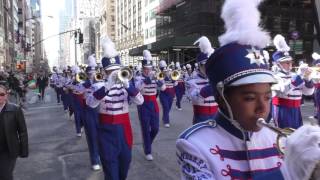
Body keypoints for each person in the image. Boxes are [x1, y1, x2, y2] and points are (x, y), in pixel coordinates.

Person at [176, 0, 320, 179]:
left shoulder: (278, 139)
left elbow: (307, 92)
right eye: (250, 98)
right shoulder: (194, 144)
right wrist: (286, 173)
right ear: (221, 98)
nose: (263, 108)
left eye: (267, 97)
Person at [87, 37, 144, 180]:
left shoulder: (126, 85)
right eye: (110, 71)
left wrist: (128, 86)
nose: (113, 74)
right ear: (104, 72)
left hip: (124, 131)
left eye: (116, 70)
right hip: (106, 132)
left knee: (124, 166)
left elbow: (140, 101)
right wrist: (107, 85)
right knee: (111, 173)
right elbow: (90, 103)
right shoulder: (99, 86)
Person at [271, 34, 314, 129]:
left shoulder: (295, 75)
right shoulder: (273, 76)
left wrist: (308, 79)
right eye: (286, 62)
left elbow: (308, 92)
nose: (290, 64)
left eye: (290, 62)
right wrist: (300, 76)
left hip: (296, 110)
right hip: (282, 110)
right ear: (278, 64)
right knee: (283, 136)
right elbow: (284, 89)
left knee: (296, 135)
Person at [135, 50, 165, 161]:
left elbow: (163, 89)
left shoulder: (156, 76)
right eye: (146, 69)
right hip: (143, 104)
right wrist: (145, 82)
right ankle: (148, 150)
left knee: (156, 128)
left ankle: (147, 142)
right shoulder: (138, 77)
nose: (148, 71)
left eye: (149, 69)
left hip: (153, 103)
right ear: (143, 68)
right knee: (145, 128)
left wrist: (160, 82)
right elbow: (137, 89)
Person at [186, 36, 218, 124]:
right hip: (200, 120)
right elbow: (192, 98)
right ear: (199, 66)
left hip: (217, 119)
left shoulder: (217, 79)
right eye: (205, 65)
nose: (208, 68)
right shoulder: (192, 81)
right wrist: (203, 92)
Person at [0, 84, 28, 180]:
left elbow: (22, 131)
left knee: (5, 175)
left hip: (9, 150)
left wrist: (24, 150)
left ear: (6, 95)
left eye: (1, 94)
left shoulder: (15, 109)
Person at [158, 60, 177, 128]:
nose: (164, 69)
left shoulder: (171, 73)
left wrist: (173, 79)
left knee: (168, 108)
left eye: (164, 67)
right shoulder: (159, 74)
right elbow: (161, 85)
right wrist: (165, 76)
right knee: (166, 107)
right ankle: (166, 121)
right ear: (160, 68)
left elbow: (175, 84)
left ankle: (164, 117)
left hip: (171, 94)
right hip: (163, 94)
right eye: (162, 68)